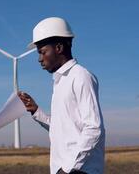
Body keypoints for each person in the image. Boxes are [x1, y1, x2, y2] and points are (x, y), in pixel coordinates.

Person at [18, 17, 105, 174]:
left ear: (58, 48)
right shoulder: (60, 82)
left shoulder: (80, 76)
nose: (39, 59)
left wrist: (69, 168)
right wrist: (36, 111)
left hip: (79, 171)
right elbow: (62, 128)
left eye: (42, 52)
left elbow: (93, 128)